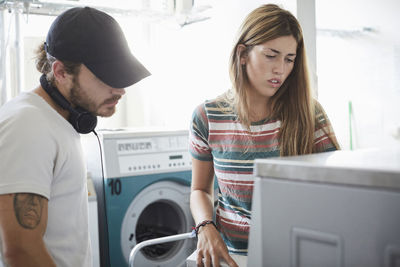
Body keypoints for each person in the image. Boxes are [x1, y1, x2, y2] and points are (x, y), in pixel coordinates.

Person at [189, 4, 340, 267]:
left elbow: (338, 189)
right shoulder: (207, 117)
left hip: (297, 251)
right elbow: (200, 189)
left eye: (289, 59)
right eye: (272, 55)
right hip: (232, 255)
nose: (280, 69)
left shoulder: (310, 113)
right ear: (243, 53)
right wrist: (205, 228)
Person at [0, 6, 150, 267]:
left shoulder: (59, 119)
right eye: (107, 77)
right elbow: (21, 250)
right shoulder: (28, 124)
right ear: (60, 72)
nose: (121, 90)